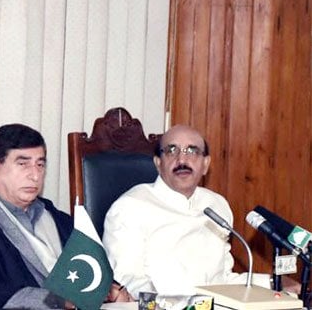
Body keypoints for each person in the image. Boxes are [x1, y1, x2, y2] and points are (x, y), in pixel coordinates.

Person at [0, 124, 131, 309]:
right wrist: (57, 301)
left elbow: (87, 264)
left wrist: (109, 288)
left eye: (40, 165)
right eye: (23, 164)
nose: (35, 175)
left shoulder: (56, 218)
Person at [102, 124, 298, 296]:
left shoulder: (216, 205)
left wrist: (274, 283)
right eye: (172, 150)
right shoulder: (130, 207)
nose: (182, 159)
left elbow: (222, 281)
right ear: (158, 163)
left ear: (205, 165)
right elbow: (127, 282)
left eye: (192, 151)